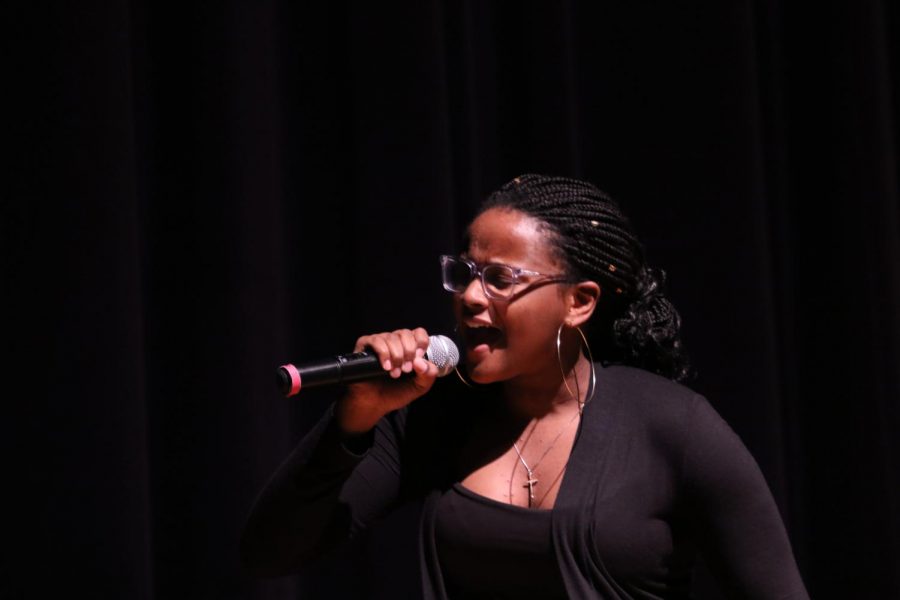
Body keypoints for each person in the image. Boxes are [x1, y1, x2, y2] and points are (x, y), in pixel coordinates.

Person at [240, 174, 809, 599]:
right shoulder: (432, 411)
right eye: (464, 273)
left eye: (501, 279)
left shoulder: (674, 427)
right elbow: (269, 553)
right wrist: (355, 419)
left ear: (579, 302)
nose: (469, 296)